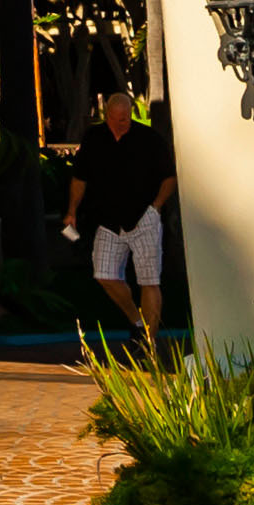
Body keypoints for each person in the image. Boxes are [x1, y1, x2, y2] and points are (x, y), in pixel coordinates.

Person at [61, 87, 177, 342]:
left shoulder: (149, 139)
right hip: (108, 220)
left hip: (143, 217)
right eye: (115, 118)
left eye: (124, 118)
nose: (120, 123)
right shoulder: (94, 138)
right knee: (104, 274)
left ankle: (149, 342)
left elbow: (169, 177)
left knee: (149, 279)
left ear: (131, 114)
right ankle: (137, 321)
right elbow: (79, 177)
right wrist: (72, 211)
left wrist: (155, 207)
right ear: (107, 116)